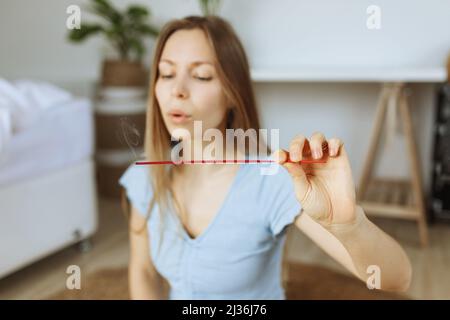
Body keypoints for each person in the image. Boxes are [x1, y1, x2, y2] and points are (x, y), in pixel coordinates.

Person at [119, 15, 412, 300]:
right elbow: (143, 272)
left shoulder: (273, 180)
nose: (177, 90)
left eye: (201, 75)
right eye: (166, 73)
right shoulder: (145, 175)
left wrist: (349, 225)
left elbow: (396, 278)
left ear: (233, 93)